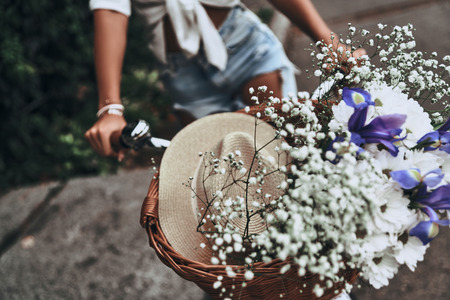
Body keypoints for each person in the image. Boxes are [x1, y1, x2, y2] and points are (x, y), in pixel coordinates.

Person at [84, 0, 365, 161]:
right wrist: (110, 109)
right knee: (215, 175)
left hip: (246, 47)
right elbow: (110, 9)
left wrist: (330, 45)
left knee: (283, 154)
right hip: (182, 73)